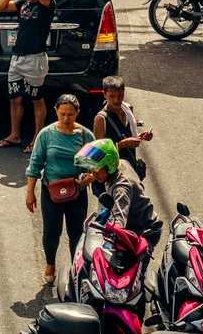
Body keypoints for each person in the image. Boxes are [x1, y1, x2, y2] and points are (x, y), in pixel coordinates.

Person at [25, 95, 96, 285]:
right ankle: (50, 265)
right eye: (62, 114)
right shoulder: (46, 134)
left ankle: (76, 268)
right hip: (51, 192)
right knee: (51, 232)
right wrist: (30, 191)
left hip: (77, 193)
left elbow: (93, 167)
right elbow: (35, 164)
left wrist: (90, 177)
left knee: (76, 233)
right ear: (56, 111)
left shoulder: (85, 136)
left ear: (77, 114)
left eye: (70, 115)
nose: (66, 119)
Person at [0, 0, 56, 146]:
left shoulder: (47, 3)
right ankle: (14, 135)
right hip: (17, 58)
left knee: (36, 99)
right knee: (15, 98)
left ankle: (36, 140)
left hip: (35, 59)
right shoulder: (23, 3)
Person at [76, 137, 162, 252]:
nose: (93, 174)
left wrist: (108, 239)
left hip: (145, 230)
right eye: (91, 170)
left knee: (129, 266)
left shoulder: (121, 189)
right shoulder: (120, 163)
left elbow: (119, 220)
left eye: (96, 170)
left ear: (109, 166)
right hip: (133, 220)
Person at [93, 76, 154, 179]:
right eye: (112, 96)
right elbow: (99, 153)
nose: (117, 100)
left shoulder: (127, 109)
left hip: (130, 169)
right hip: (113, 175)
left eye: (120, 95)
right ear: (104, 94)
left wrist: (140, 137)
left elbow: (127, 134)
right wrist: (122, 144)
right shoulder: (101, 119)